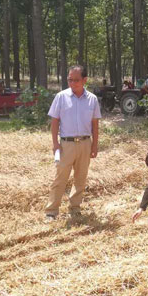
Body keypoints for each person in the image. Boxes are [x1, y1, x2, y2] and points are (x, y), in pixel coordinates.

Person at [45, 65, 101, 220]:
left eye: (76, 80)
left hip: (85, 144)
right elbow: (55, 121)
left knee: (80, 178)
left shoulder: (92, 100)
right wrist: (55, 143)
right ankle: (51, 211)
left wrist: (94, 145)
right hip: (66, 144)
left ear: (84, 80)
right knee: (60, 178)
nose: (72, 83)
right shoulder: (61, 97)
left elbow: (95, 124)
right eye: (70, 79)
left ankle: (74, 208)